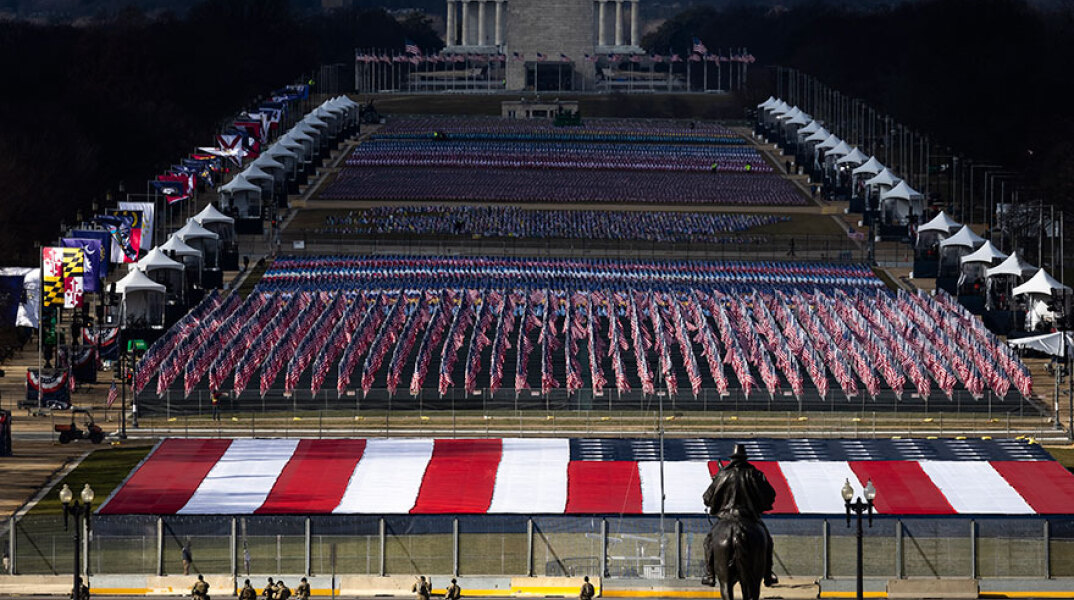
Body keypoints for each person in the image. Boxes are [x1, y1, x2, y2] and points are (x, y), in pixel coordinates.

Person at [702, 444, 778, 588]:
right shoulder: (755, 473)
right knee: (767, 541)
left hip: (726, 517)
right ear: (745, 458)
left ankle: (710, 575)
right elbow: (770, 496)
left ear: (732, 458)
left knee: (709, 542)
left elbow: (707, 498)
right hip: (749, 517)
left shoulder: (723, 474)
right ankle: (768, 574)